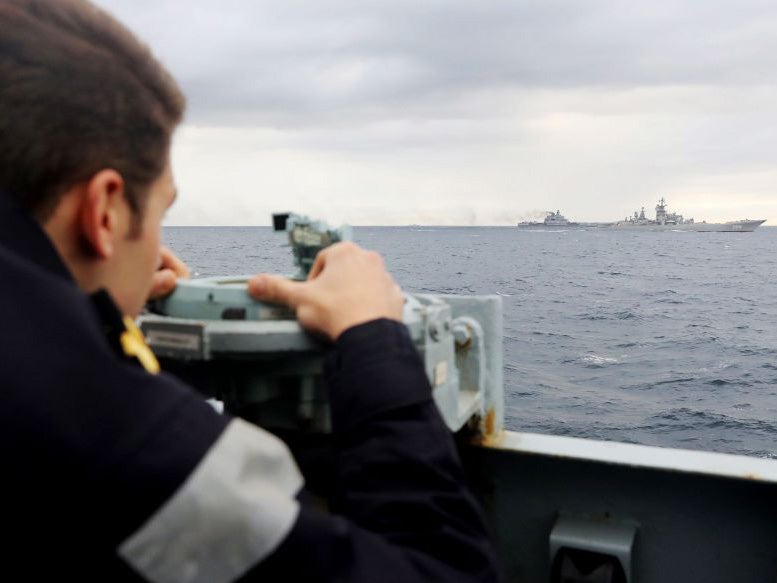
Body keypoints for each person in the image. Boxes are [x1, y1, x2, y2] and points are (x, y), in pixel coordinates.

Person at [0, 1, 500, 581]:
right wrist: (373, 340)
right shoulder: (111, 439)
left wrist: (105, 328)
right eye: (162, 209)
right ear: (105, 212)